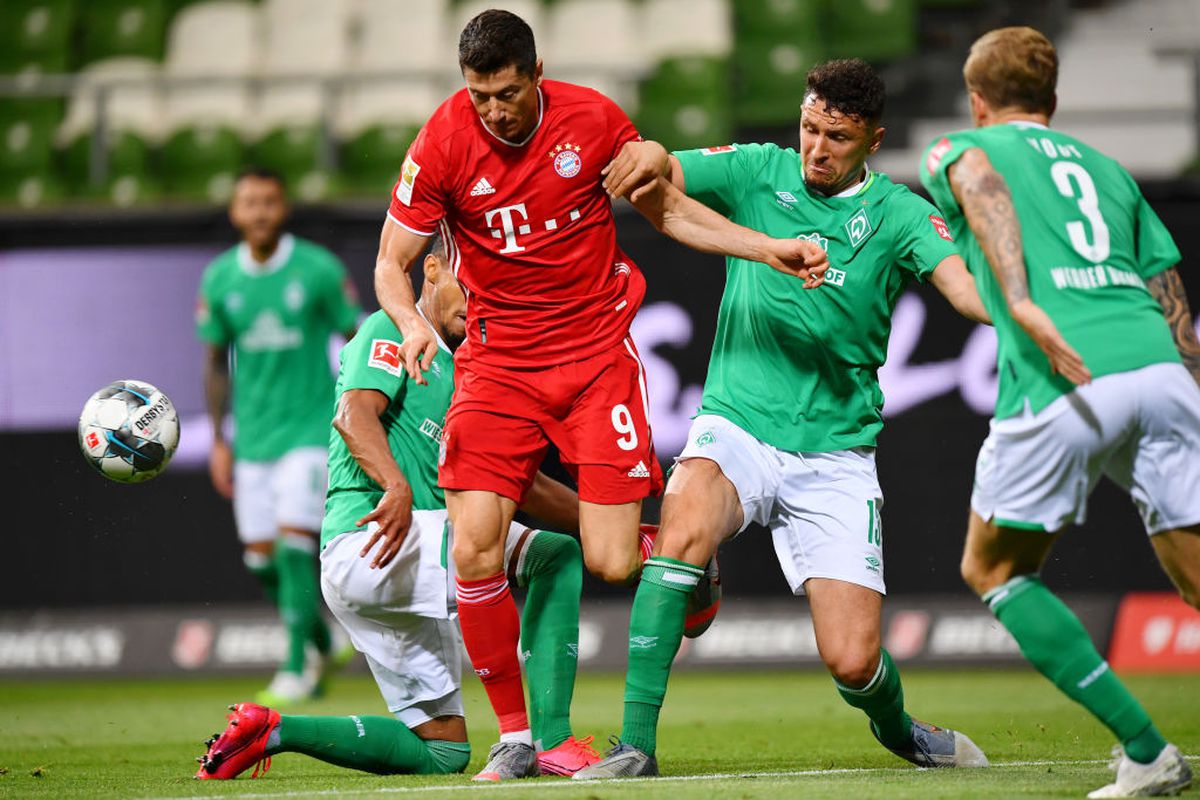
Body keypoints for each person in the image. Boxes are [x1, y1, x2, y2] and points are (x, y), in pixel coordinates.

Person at [373, 10, 828, 781]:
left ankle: (677, 559)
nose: (494, 110)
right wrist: (412, 321)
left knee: (613, 562)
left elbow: (671, 211)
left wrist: (769, 249)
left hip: (593, 360)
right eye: (479, 95)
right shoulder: (442, 141)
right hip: (497, 364)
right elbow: (392, 262)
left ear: (536, 70)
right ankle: (516, 738)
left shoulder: (593, 122)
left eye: (507, 92)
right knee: (474, 546)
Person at [576, 58, 993, 779]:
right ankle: (635, 746)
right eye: (808, 128)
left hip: (834, 453)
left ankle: (900, 730)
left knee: (854, 661)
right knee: (678, 531)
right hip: (737, 423)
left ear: (873, 140)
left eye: (836, 136)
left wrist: (1021, 317)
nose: (816, 148)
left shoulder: (898, 214)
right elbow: (660, 168)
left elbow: (960, 285)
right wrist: (640, 152)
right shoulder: (756, 169)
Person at [195, 236, 600, 780]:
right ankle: (548, 741)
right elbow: (353, 415)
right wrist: (397, 485)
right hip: (373, 538)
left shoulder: (468, 368)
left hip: (399, 560)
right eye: (471, 285)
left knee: (442, 753)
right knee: (553, 557)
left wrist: (604, 517)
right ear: (431, 269)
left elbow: (522, 487)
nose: (479, 302)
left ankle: (273, 730)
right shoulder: (391, 329)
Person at [920, 27, 1200, 798]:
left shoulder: (959, 148)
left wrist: (1017, 297)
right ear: (1053, 100)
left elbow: (978, 178)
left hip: (1066, 376)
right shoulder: (1109, 169)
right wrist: (1187, 388)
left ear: (978, 100)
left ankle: (1147, 749)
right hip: (1160, 366)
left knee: (994, 566)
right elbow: (1167, 288)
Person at [196, 166, 362, 705]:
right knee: (259, 559)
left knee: (295, 543)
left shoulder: (316, 269)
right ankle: (322, 638)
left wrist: (361, 406)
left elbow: (355, 334)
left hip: (311, 430)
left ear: (283, 207)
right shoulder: (220, 278)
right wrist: (221, 439)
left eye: (270, 201)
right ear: (235, 212)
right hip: (254, 440)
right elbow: (216, 363)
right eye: (250, 202)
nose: (260, 211)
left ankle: (296, 666)